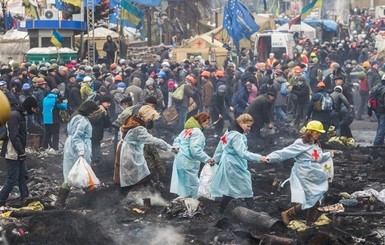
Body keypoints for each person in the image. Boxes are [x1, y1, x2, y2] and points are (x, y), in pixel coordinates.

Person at [265, 120, 332, 226]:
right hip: (304, 173)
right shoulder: (301, 143)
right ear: (310, 131)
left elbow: (317, 158)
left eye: (320, 133)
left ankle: (310, 222)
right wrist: (269, 158)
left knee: (317, 197)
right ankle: (287, 213)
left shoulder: (315, 144)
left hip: (314, 174)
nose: (319, 134)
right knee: (312, 198)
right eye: (317, 132)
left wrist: (328, 154)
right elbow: (285, 152)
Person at [211, 114, 268, 214]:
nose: (249, 129)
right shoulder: (237, 135)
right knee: (246, 184)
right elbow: (242, 152)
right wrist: (259, 158)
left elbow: (221, 145)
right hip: (234, 164)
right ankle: (252, 210)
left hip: (228, 163)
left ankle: (220, 211)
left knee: (231, 188)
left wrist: (215, 159)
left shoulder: (229, 131)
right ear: (241, 123)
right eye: (248, 126)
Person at [56, 100, 104, 208]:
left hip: (71, 147)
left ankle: (60, 202)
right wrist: (81, 153)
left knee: (71, 174)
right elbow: (77, 137)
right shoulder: (81, 119)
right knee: (84, 173)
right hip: (77, 149)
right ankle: (91, 201)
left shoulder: (76, 116)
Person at [118, 105, 174, 189]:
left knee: (139, 175)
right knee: (136, 176)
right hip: (131, 153)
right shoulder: (139, 128)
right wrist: (169, 148)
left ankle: (142, 194)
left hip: (127, 150)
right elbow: (153, 140)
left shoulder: (131, 120)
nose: (150, 121)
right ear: (146, 116)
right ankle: (140, 196)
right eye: (150, 118)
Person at [0, 96, 37, 206]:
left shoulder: (20, 114)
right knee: (12, 178)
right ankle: (1, 200)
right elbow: (13, 136)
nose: (34, 111)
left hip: (18, 150)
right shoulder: (15, 115)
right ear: (30, 107)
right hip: (12, 151)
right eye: (34, 108)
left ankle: (25, 198)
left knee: (23, 175)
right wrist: (21, 152)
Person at [170, 112, 213, 198]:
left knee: (182, 184)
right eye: (206, 123)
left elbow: (177, 140)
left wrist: (178, 147)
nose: (207, 126)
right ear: (201, 121)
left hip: (179, 159)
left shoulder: (187, 130)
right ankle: (190, 205)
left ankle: (181, 202)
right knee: (191, 185)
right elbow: (195, 150)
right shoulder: (197, 132)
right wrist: (207, 159)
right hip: (188, 161)